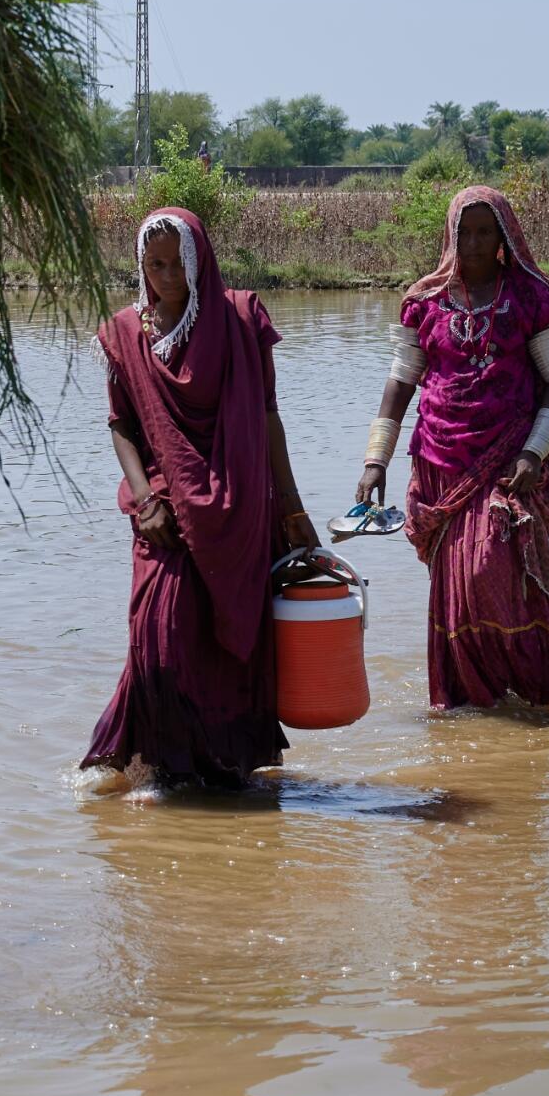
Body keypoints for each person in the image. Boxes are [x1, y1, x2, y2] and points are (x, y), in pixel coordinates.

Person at [82, 207, 320, 792]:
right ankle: (158, 765)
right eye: (154, 264)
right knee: (158, 634)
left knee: (224, 643)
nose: (165, 276)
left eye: (177, 264)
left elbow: (266, 414)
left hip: (238, 507)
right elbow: (121, 424)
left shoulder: (239, 319)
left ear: (198, 261)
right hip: (162, 508)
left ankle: (221, 772)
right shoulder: (123, 333)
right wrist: (144, 500)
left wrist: (291, 508)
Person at [356, 186, 549, 712]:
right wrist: (374, 460)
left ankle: (535, 693)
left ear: (504, 235)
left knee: (491, 569)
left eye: (486, 231)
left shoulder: (530, 299)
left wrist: (534, 453)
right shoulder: (424, 303)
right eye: (466, 231)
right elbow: (400, 384)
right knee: (456, 587)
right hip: (441, 462)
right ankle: (470, 705)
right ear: (450, 234)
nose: (476, 243)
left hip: (509, 463)